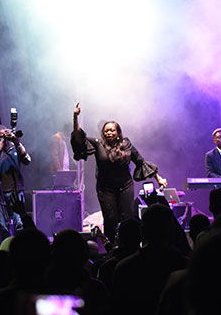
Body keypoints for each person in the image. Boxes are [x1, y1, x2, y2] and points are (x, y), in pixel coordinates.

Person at [71, 103, 166, 241]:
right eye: (106, 131)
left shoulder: (126, 144)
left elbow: (140, 161)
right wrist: (75, 117)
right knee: (110, 219)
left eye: (111, 130)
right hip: (106, 188)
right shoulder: (98, 144)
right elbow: (79, 137)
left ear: (117, 133)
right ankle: (112, 248)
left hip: (125, 186)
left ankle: (129, 244)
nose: (108, 133)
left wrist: (159, 178)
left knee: (126, 218)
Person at [0, 125, 32, 239]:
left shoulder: (14, 148)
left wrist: (16, 142)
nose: (6, 139)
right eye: (2, 136)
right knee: (3, 225)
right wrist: (2, 141)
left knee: (19, 223)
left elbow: (27, 160)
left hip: (16, 191)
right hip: (1, 192)